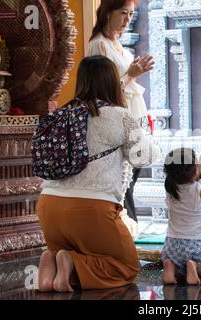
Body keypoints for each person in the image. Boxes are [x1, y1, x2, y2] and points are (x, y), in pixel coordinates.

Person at [36, 55, 160, 292]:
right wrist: (143, 129)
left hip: (49, 207)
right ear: (113, 82)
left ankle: (53, 264)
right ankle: (70, 264)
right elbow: (145, 156)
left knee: (81, 252)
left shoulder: (62, 114)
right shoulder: (118, 115)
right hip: (92, 208)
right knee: (125, 266)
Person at [86, 0, 155, 233]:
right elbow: (101, 93)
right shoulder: (99, 46)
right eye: (123, 13)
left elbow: (125, 83)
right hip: (114, 121)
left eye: (131, 14)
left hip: (133, 116)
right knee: (122, 183)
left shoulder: (119, 46)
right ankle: (125, 233)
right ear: (107, 13)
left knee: (131, 180)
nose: (127, 20)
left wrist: (135, 72)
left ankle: (129, 231)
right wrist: (131, 75)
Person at [161, 148, 201, 285]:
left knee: (178, 265)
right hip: (195, 242)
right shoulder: (199, 187)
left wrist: (198, 173)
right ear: (192, 170)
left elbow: (185, 180)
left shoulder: (170, 187)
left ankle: (170, 266)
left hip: (172, 243)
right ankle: (194, 266)